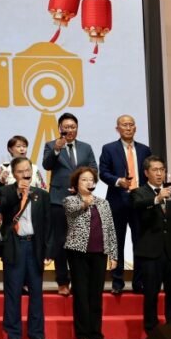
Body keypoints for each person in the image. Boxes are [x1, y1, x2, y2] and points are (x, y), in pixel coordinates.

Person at [0, 156, 53, 339]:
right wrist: (17, 194)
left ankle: (36, 335)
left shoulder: (42, 195)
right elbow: (2, 208)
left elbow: (48, 225)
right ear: (14, 174)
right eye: (20, 171)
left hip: (35, 247)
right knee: (13, 292)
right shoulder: (6, 191)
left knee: (36, 293)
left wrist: (48, 251)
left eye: (27, 170)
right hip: (15, 246)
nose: (25, 174)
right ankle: (13, 335)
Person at [133, 156, 171, 332]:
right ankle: (151, 330)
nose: (159, 173)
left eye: (162, 170)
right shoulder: (139, 193)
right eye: (155, 170)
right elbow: (138, 208)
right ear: (146, 173)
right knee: (151, 293)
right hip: (150, 253)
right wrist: (157, 199)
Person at [42, 112, 97, 296]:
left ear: (77, 128)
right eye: (66, 127)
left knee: (80, 241)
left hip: (82, 200)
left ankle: (79, 280)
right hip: (58, 200)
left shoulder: (86, 148)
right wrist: (56, 150)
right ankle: (62, 281)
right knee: (60, 241)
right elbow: (47, 165)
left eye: (73, 127)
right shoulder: (51, 145)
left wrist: (84, 186)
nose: (70, 130)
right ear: (60, 129)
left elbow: (94, 169)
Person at [64, 166, 117, 339]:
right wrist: (85, 203)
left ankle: (97, 334)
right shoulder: (70, 200)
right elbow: (72, 211)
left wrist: (113, 254)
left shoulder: (103, 203)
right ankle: (83, 334)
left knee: (96, 294)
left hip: (99, 253)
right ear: (76, 183)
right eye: (84, 180)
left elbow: (110, 230)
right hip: (78, 253)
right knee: (81, 294)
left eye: (91, 180)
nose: (88, 182)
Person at [98, 115, 151, 294]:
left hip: (140, 201)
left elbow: (149, 174)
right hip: (117, 201)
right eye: (124, 125)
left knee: (140, 242)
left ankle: (139, 282)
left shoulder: (145, 150)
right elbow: (103, 172)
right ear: (117, 129)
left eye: (131, 125)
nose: (128, 128)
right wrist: (118, 181)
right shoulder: (109, 148)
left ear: (135, 128)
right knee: (117, 242)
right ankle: (117, 282)